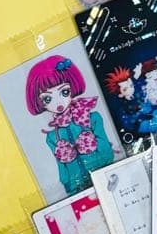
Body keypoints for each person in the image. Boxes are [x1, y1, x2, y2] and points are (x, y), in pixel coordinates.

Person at [25, 55, 115, 196]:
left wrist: (96, 147)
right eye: (47, 99)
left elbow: (107, 149)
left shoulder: (92, 119)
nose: (58, 102)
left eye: (64, 92)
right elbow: (61, 167)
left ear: (72, 87)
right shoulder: (52, 137)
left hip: (105, 176)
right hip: (77, 188)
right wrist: (67, 183)